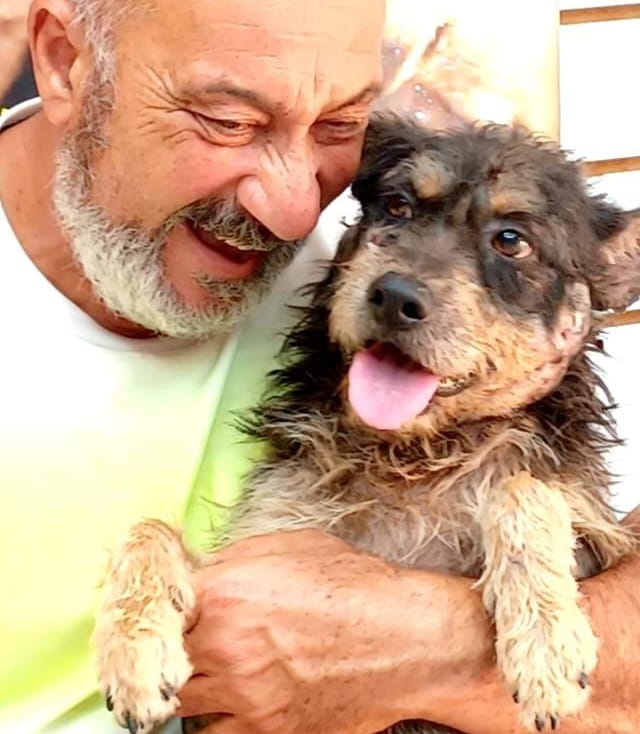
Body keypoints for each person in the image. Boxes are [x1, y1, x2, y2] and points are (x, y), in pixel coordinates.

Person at [0, 2, 638, 734]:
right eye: (228, 120)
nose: (297, 210)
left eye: (341, 127)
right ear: (61, 61)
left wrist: (428, 642)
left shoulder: (357, 246)